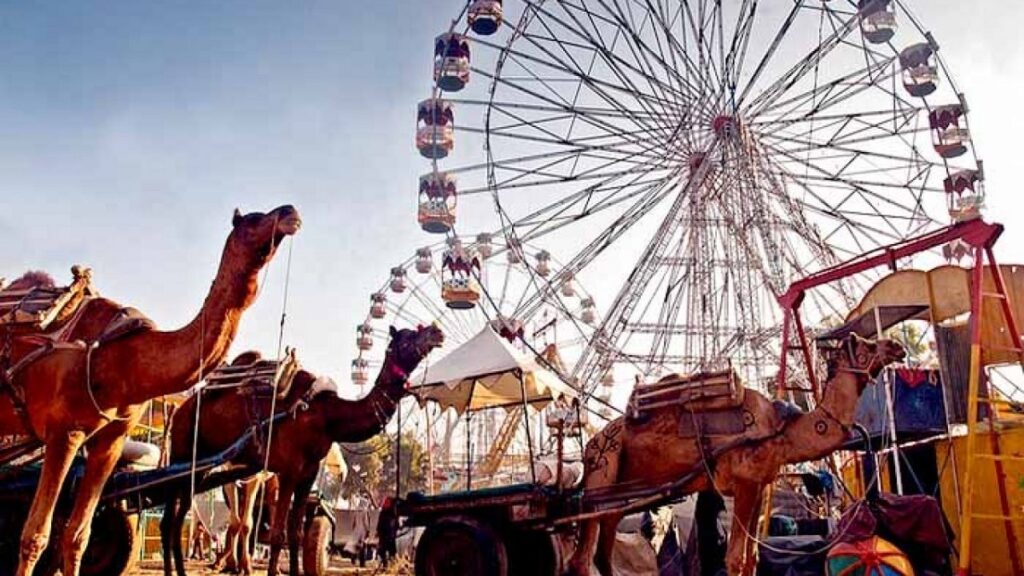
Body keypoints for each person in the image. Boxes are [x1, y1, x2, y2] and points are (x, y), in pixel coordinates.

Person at [376, 496, 399, 567]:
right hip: (389, 535)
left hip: (386, 535)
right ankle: (388, 564)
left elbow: (380, 524)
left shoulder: (385, 513)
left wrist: (378, 532)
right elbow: (396, 525)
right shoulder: (393, 513)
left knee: (384, 550)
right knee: (390, 551)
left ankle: (386, 564)